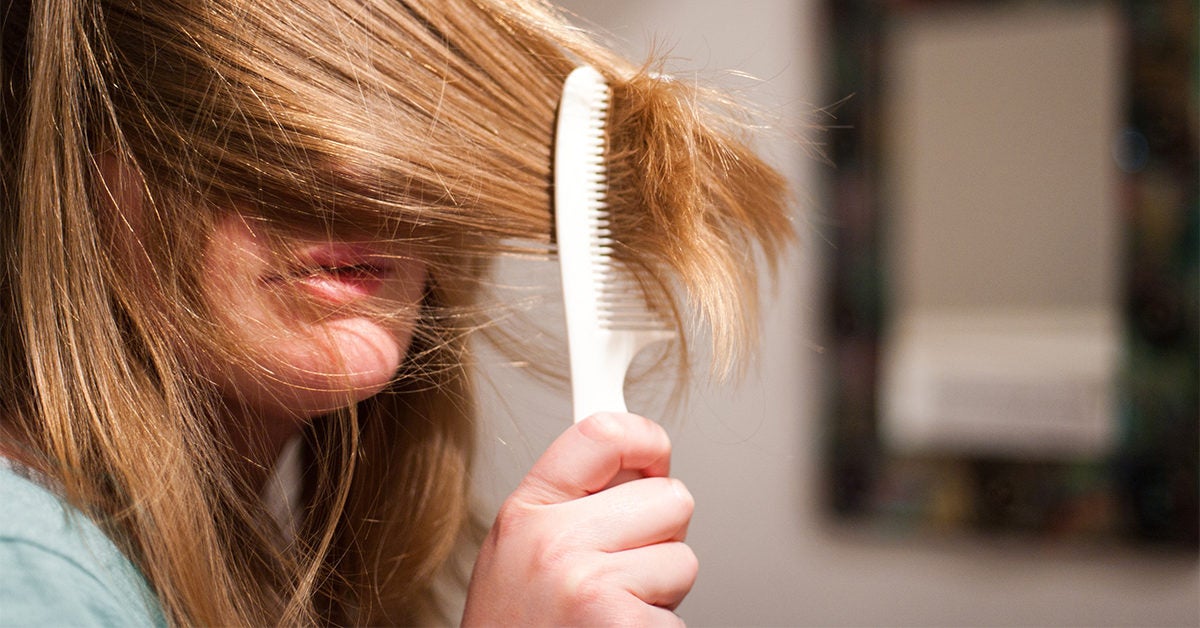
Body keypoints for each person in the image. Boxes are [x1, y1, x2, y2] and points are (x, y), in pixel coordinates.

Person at [0, 0, 792, 624]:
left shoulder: (230, 573)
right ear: (80, 161)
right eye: (256, 123)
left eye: (403, 114)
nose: (362, 174)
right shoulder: (27, 571)